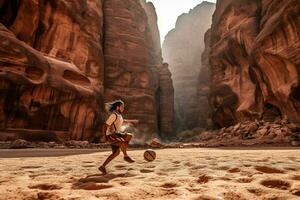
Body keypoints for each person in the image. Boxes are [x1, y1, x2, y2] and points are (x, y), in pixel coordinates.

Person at [98, 100, 138, 175]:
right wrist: (105, 137)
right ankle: (126, 156)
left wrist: (128, 122)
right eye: (122, 107)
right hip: (111, 135)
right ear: (117, 107)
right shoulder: (114, 115)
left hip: (117, 134)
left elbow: (118, 123)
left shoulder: (119, 115)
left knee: (117, 152)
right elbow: (105, 125)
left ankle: (102, 167)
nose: (123, 108)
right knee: (121, 144)